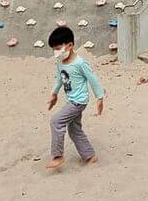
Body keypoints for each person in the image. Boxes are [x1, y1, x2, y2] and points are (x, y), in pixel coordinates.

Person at [45, 26, 105, 169]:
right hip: (70, 100)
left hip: (78, 102)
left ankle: (57, 156)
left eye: (59, 48)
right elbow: (59, 79)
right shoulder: (60, 62)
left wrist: (100, 97)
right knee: (74, 129)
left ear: (70, 45)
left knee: (56, 121)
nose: (56, 52)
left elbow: (93, 79)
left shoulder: (80, 63)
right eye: (54, 49)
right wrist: (54, 94)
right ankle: (90, 156)